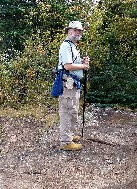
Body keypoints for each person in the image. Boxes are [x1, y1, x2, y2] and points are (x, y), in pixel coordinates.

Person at [58, 21, 90, 151]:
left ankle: (69, 136)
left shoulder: (73, 46)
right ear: (69, 31)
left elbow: (73, 63)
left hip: (74, 82)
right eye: (75, 30)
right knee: (66, 111)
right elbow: (67, 66)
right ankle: (65, 141)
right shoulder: (66, 46)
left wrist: (81, 62)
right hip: (68, 83)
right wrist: (83, 66)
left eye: (79, 31)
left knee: (73, 110)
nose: (78, 32)